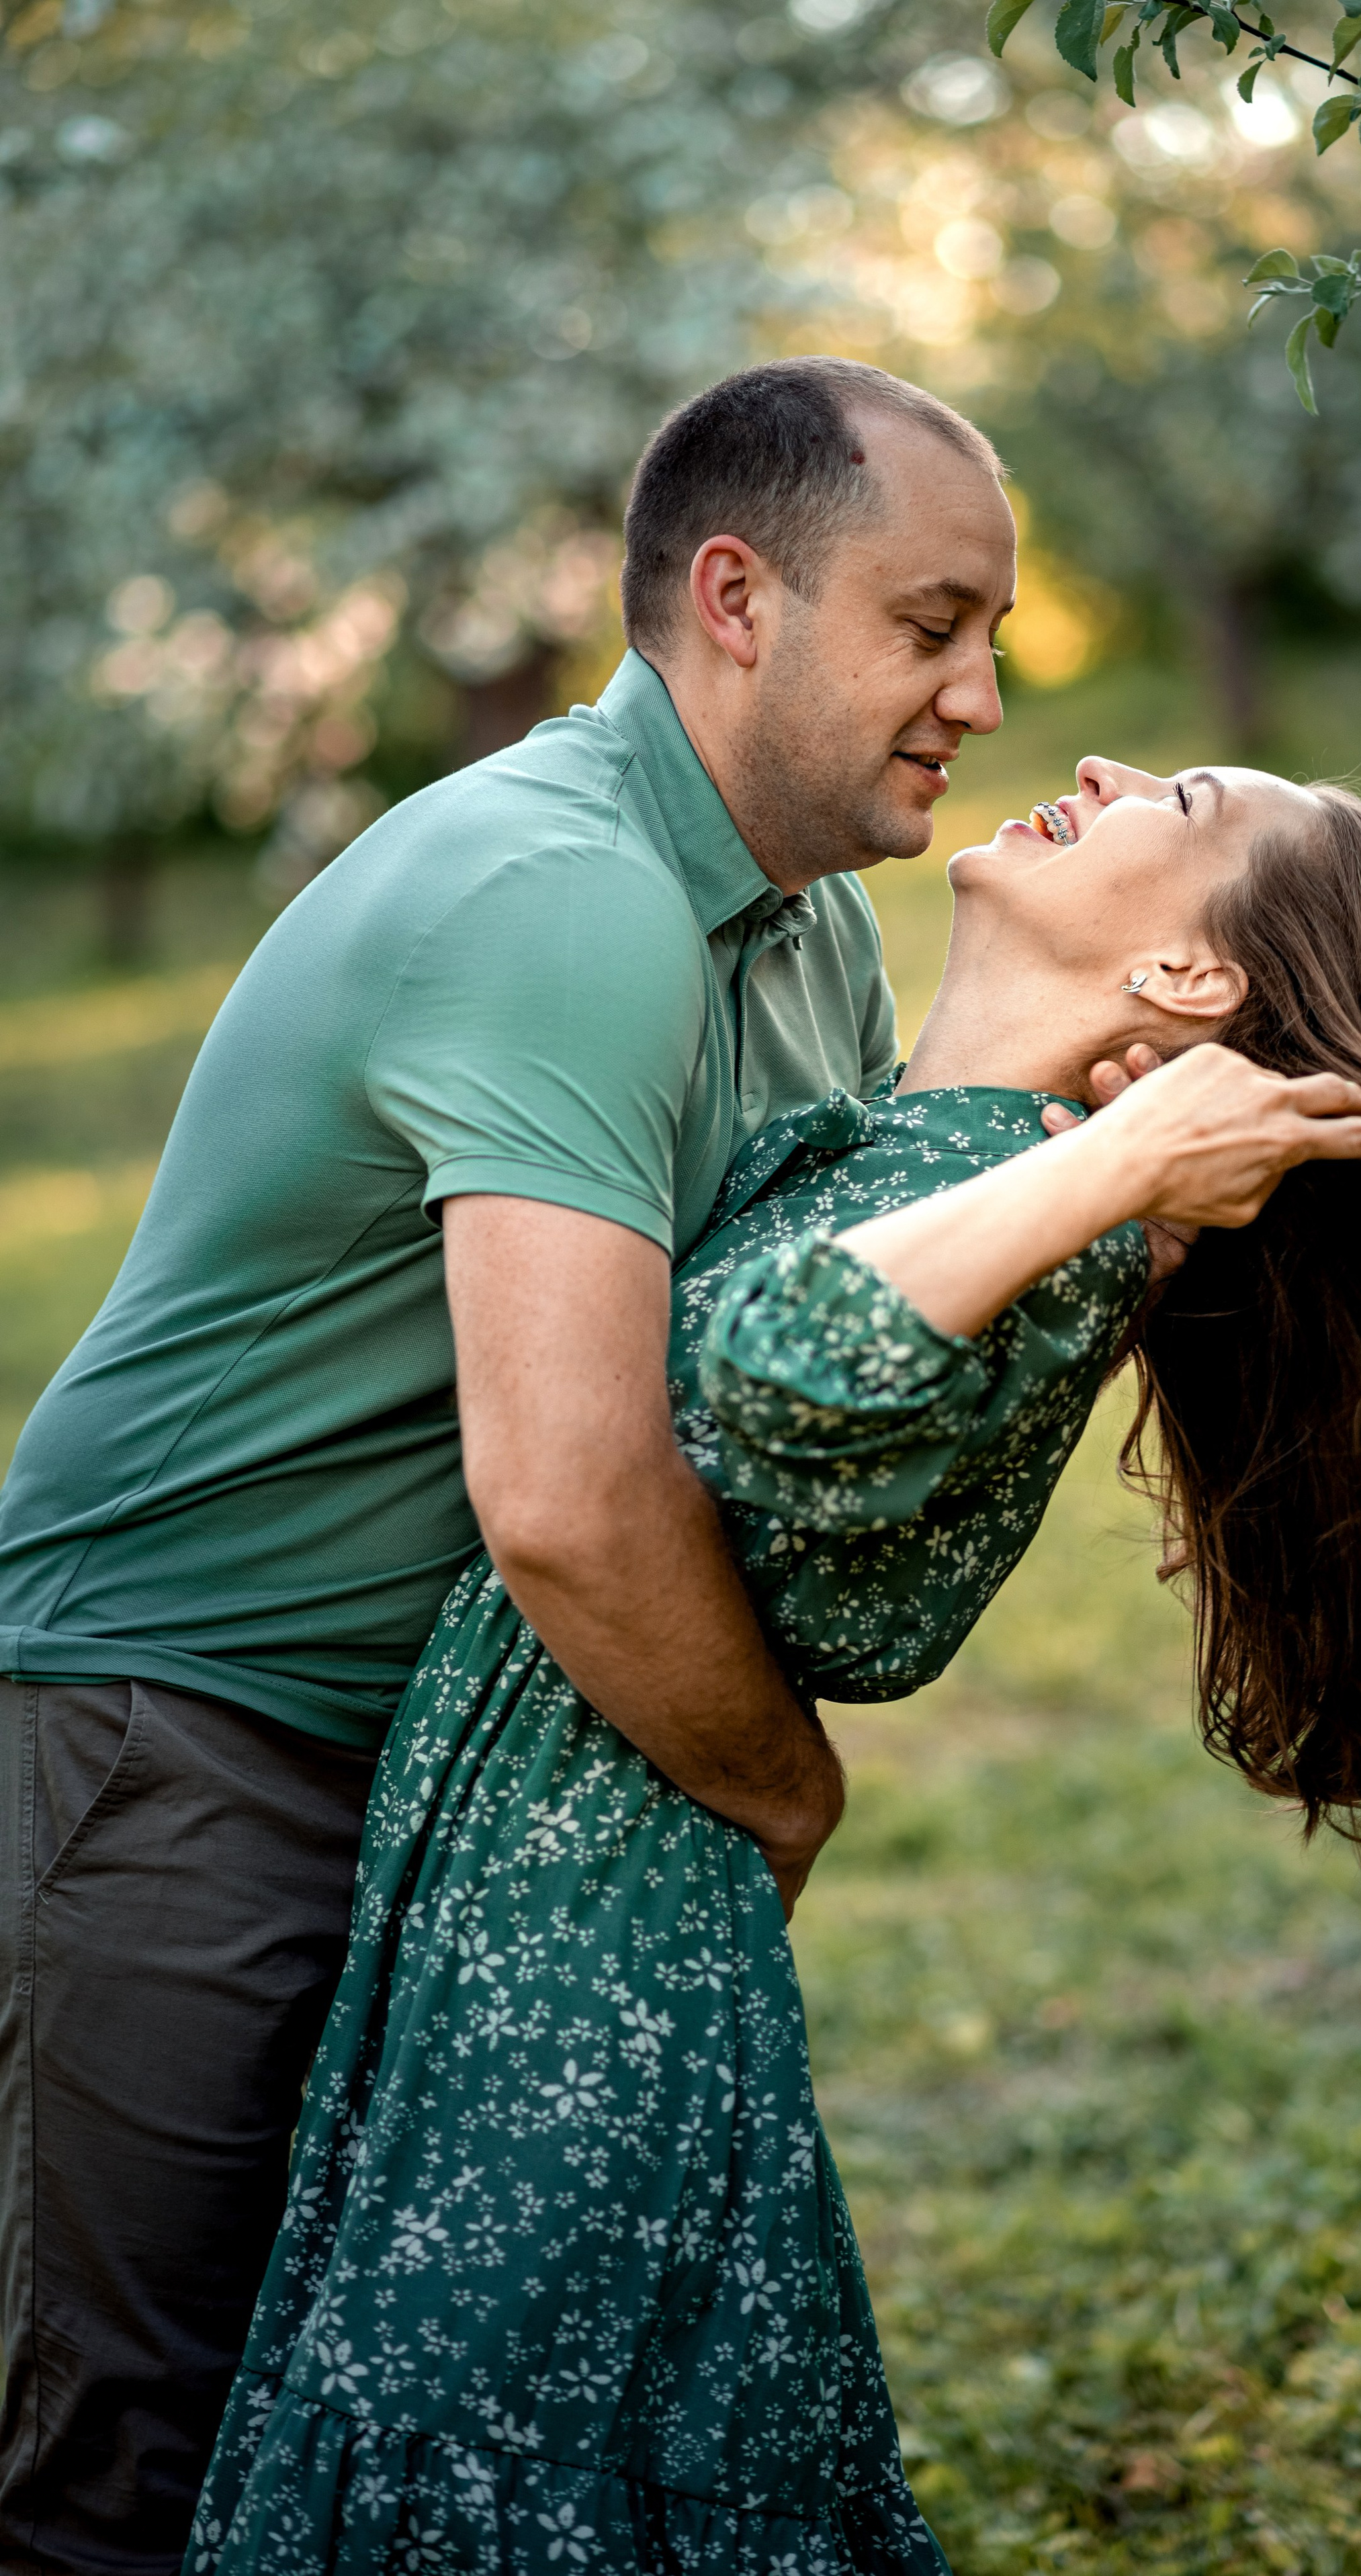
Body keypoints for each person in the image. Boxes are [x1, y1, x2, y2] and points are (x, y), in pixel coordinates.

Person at [187, 759, 1361, 2571]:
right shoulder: (945, 1156)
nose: (1096, 766)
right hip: (537, 1885)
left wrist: (1112, 1166)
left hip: (587, 1938)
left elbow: (776, 1370)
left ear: (1187, 980)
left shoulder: (1045, 1218)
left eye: (1176, 794)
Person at [0, 356, 1035, 2576]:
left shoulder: (813, 936)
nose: (979, 693)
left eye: (991, 638)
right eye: (932, 625)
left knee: (368, 2461)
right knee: (132, 2466)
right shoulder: (559, 891)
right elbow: (568, 1495)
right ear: (737, 599)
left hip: (452, 1767)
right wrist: (777, 1787)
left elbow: (793, 1391)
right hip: (183, 1730)